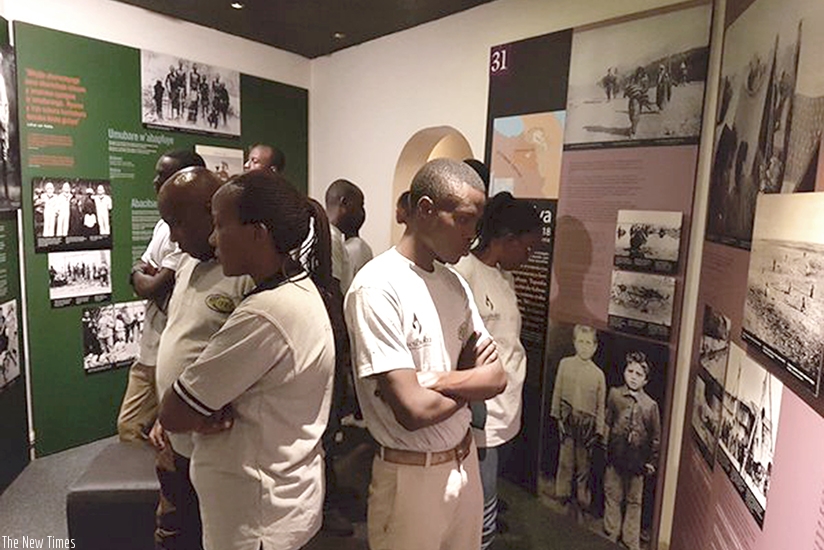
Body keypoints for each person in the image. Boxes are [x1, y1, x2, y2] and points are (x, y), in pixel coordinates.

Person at [159, 170, 336, 550]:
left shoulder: (264, 314)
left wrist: (194, 408)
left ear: (257, 233)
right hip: (272, 506)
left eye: (221, 225)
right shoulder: (297, 290)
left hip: (255, 521)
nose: (211, 237)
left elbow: (174, 412)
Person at [345, 158, 507, 550]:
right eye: (465, 220)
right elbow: (412, 411)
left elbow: (497, 377)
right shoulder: (377, 286)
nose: (472, 235)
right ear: (425, 210)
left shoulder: (454, 283)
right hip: (410, 474)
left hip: (463, 460)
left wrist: (439, 380)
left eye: (477, 223)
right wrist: (469, 382)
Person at [150, 166, 255, 550]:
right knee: (173, 534)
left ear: (211, 211)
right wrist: (165, 413)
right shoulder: (188, 263)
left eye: (177, 224)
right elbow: (181, 336)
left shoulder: (246, 272)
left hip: (220, 452)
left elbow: (254, 361)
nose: (173, 238)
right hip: (174, 442)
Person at [452, 191, 542, 550]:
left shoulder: (505, 277)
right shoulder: (464, 274)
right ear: (506, 239)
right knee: (482, 499)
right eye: (528, 248)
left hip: (507, 401)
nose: (530, 257)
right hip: (483, 408)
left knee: (487, 488)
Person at [116, 149, 206, 443]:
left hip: (175, 346)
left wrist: (144, 277)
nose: (155, 182)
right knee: (130, 427)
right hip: (151, 345)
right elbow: (142, 272)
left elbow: (153, 286)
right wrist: (140, 274)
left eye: (163, 176)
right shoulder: (163, 225)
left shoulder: (190, 233)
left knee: (172, 435)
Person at [603, 351, 661, 550]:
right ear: (624, 372)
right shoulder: (615, 395)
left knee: (634, 502)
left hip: (637, 463)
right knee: (612, 495)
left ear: (645, 380)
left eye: (639, 374)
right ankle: (611, 533)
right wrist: (605, 446)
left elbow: (655, 438)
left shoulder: (650, 406)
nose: (633, 377)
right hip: (616, 457)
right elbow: (608, 422)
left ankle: (630, 541)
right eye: (630, 371)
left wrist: (652, 463)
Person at [550, 324, 606, 519]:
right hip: (567, 418)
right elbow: (557, 390)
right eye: (580, 341)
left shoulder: (599, 374)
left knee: (584, 464)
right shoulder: (565, 363)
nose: (584, 346)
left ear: (595, 347)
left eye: (588, 343)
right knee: (565, 459)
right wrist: (556, 415)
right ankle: (562, 492)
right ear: (574, 342)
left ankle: (582, 497)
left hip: (587, 425)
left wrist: (598, 430)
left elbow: (600, 405)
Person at [325, 179, 363, 291]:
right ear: (344, 203)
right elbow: (332, 291)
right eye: (359, 205)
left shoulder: (326, 233)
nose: (361, 213)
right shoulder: (331, 238)